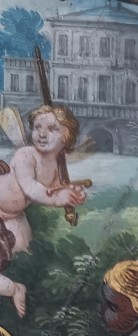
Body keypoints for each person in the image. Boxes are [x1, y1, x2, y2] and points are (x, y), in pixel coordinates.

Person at [0, 105, 87, 317]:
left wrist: (73, 194)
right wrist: (57, 198)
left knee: (24, 258)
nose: (41, 133)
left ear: (66, 136)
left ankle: (19, 290)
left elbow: (55, 188)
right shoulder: (25, 155)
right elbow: (31, 189)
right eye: (38, 127)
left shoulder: (56, 165)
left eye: (51, 128)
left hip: (14, 218)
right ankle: (12, 289)